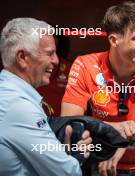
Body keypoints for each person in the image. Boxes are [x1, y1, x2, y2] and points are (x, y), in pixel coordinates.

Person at [61, 1, 135, 176]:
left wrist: (125, 142)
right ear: (114, 40)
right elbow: (69, 122)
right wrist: (114, 130)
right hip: (99, 161)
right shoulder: (85, 65)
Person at [0, 18, 91, 175]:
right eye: (50, 53)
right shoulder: (17, 106)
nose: (56, 60)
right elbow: (67, 172)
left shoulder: (8, 94)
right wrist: (76, 155)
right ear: (22, 57)